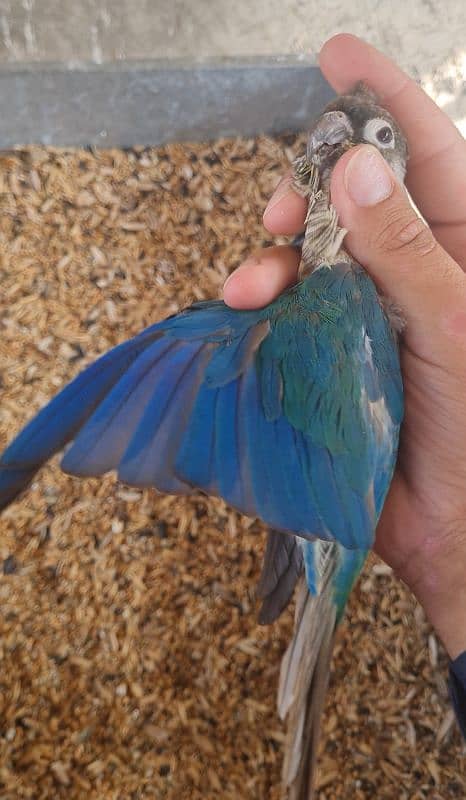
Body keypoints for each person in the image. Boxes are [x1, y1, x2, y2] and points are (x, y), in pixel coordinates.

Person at [223, 33, 466, 735]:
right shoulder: (323, 268)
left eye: (381, 139)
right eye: (335, 137)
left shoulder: (403, 258)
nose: (359, 150)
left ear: (398, 171)